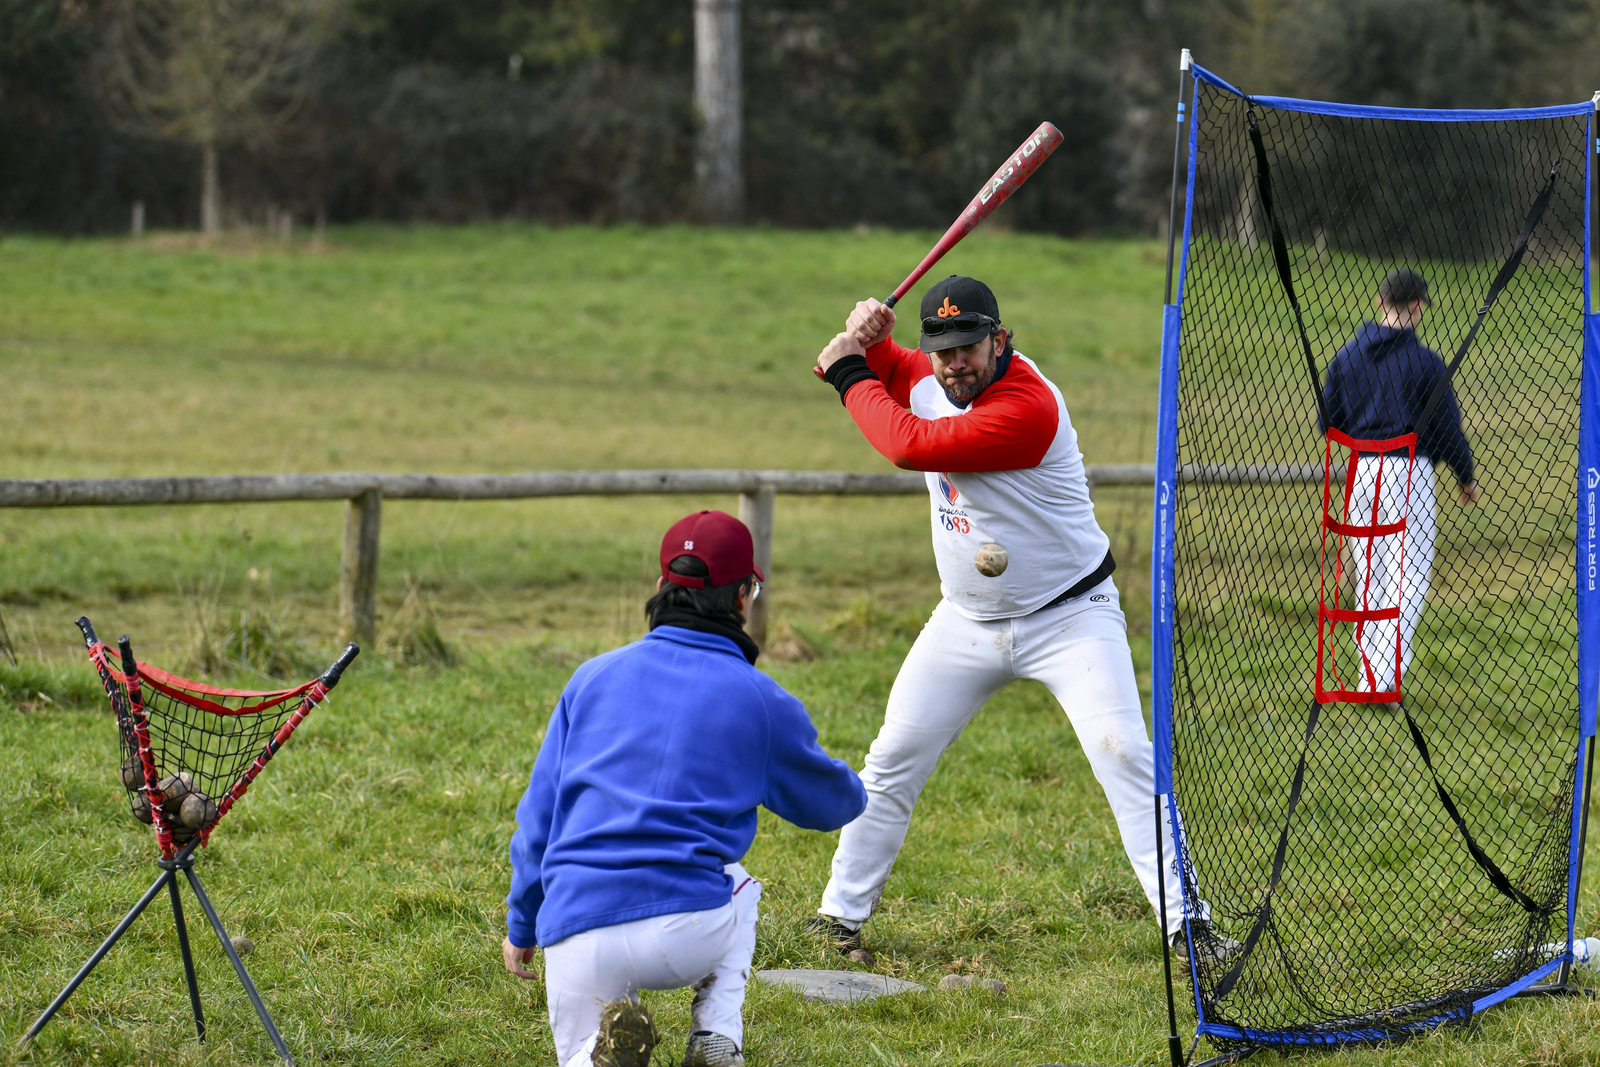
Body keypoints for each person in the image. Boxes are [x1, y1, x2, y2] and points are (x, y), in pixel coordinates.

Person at [808, 275, 1224, 963]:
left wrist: (849, 368)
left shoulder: (1028, 405)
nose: (955, 365)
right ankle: (838, 918)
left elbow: (907, 443)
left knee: (1124, 752)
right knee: (890, 760)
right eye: (941, 351)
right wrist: (866, 339)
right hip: (965, 620)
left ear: (1000, 340)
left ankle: (1189, 925)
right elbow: (887, 371)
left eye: (970, 347)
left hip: (1070, 616)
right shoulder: (926, 372)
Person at [502, 509, 867, 1067]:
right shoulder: (759, 698)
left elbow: (538, 821)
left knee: (579, 1052)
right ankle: (715, 1035)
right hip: (683, 931)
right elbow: (833, 805)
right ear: (745, 596)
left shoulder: (590, 678)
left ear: (659, 589)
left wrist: (522, 921)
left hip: (576, 923)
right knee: (740, 885)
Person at [1320, 268, 1479, 695]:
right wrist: (1465, 475)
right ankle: (1385, 678)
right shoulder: (1426, 362)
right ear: (1416, 306)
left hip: (1361, 473)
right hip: (1408, 470)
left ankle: (1368, 675)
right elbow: (1447, 428)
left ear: (1379, 302)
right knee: (1408, 575)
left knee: (1370, 576)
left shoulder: (1346, 356)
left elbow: (1328, 420)